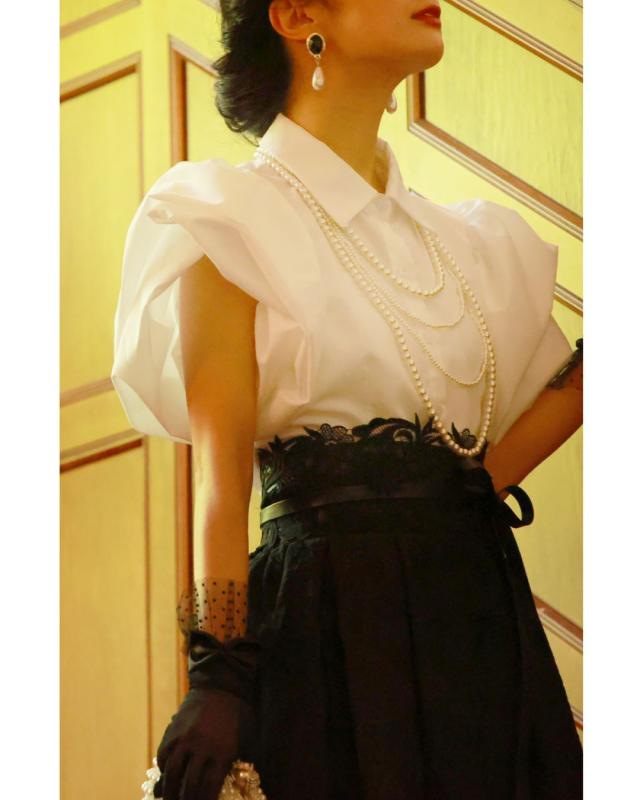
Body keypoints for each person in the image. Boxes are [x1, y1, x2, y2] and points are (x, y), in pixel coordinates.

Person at [113, 1, 583, 798]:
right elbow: (220, 484)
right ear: (297, 14)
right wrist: (218, 675)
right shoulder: (228, 218)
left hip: (478, 624)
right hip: (327, 635)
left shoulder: (471, 244)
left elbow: (479, 480)